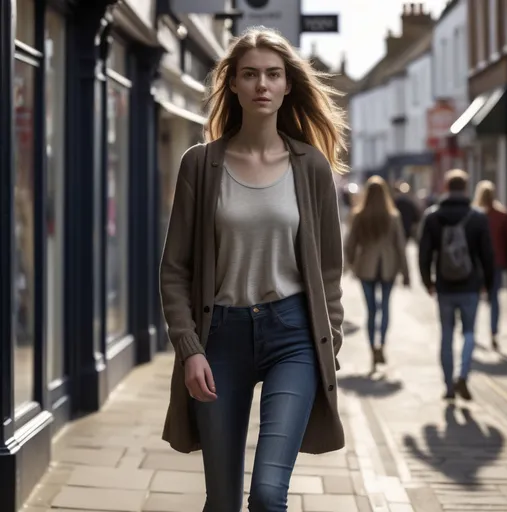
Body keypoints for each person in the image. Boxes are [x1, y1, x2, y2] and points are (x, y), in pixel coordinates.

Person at [159, 26, 346, 512]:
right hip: (219, 336)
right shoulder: (199, 165)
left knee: (267, 494)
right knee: (223, 500)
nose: (262, 84)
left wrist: (333, 338)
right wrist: (189, 348)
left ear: (287, 85)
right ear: (234, 85)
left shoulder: (312, 168)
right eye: (250, 74)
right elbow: (175, 269)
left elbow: (328, 271)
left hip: (294, 336)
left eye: (273, 74)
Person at [418, 169, 494, 401]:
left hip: (444, 286)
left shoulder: (433, 216)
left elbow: (424, 253)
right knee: (470, 332)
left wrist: (427, 282)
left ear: (447, 188)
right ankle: (463, 375)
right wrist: (487, 284)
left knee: (447, 335)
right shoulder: (478, 217)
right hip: (470, 286)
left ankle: (449, 387)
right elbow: (487, 255)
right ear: (466, 188)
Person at [345, 176, 409, 371]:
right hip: (388, 267)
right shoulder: (393, 216)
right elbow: (400, 246)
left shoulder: (359, 215)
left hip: (366, 268)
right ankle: (382, 345)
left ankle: (373, 347)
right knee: (385, 308)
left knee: (371, 311)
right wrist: (406, 273)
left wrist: (352, 265)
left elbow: (350, 245)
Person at [473, 180, 507, 351]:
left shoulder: (474, 215)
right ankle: (493, 333)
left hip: (478, 263)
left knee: (473, 298)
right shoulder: (502, 215)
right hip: (497, 262)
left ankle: (470, 331)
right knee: (494, 299)